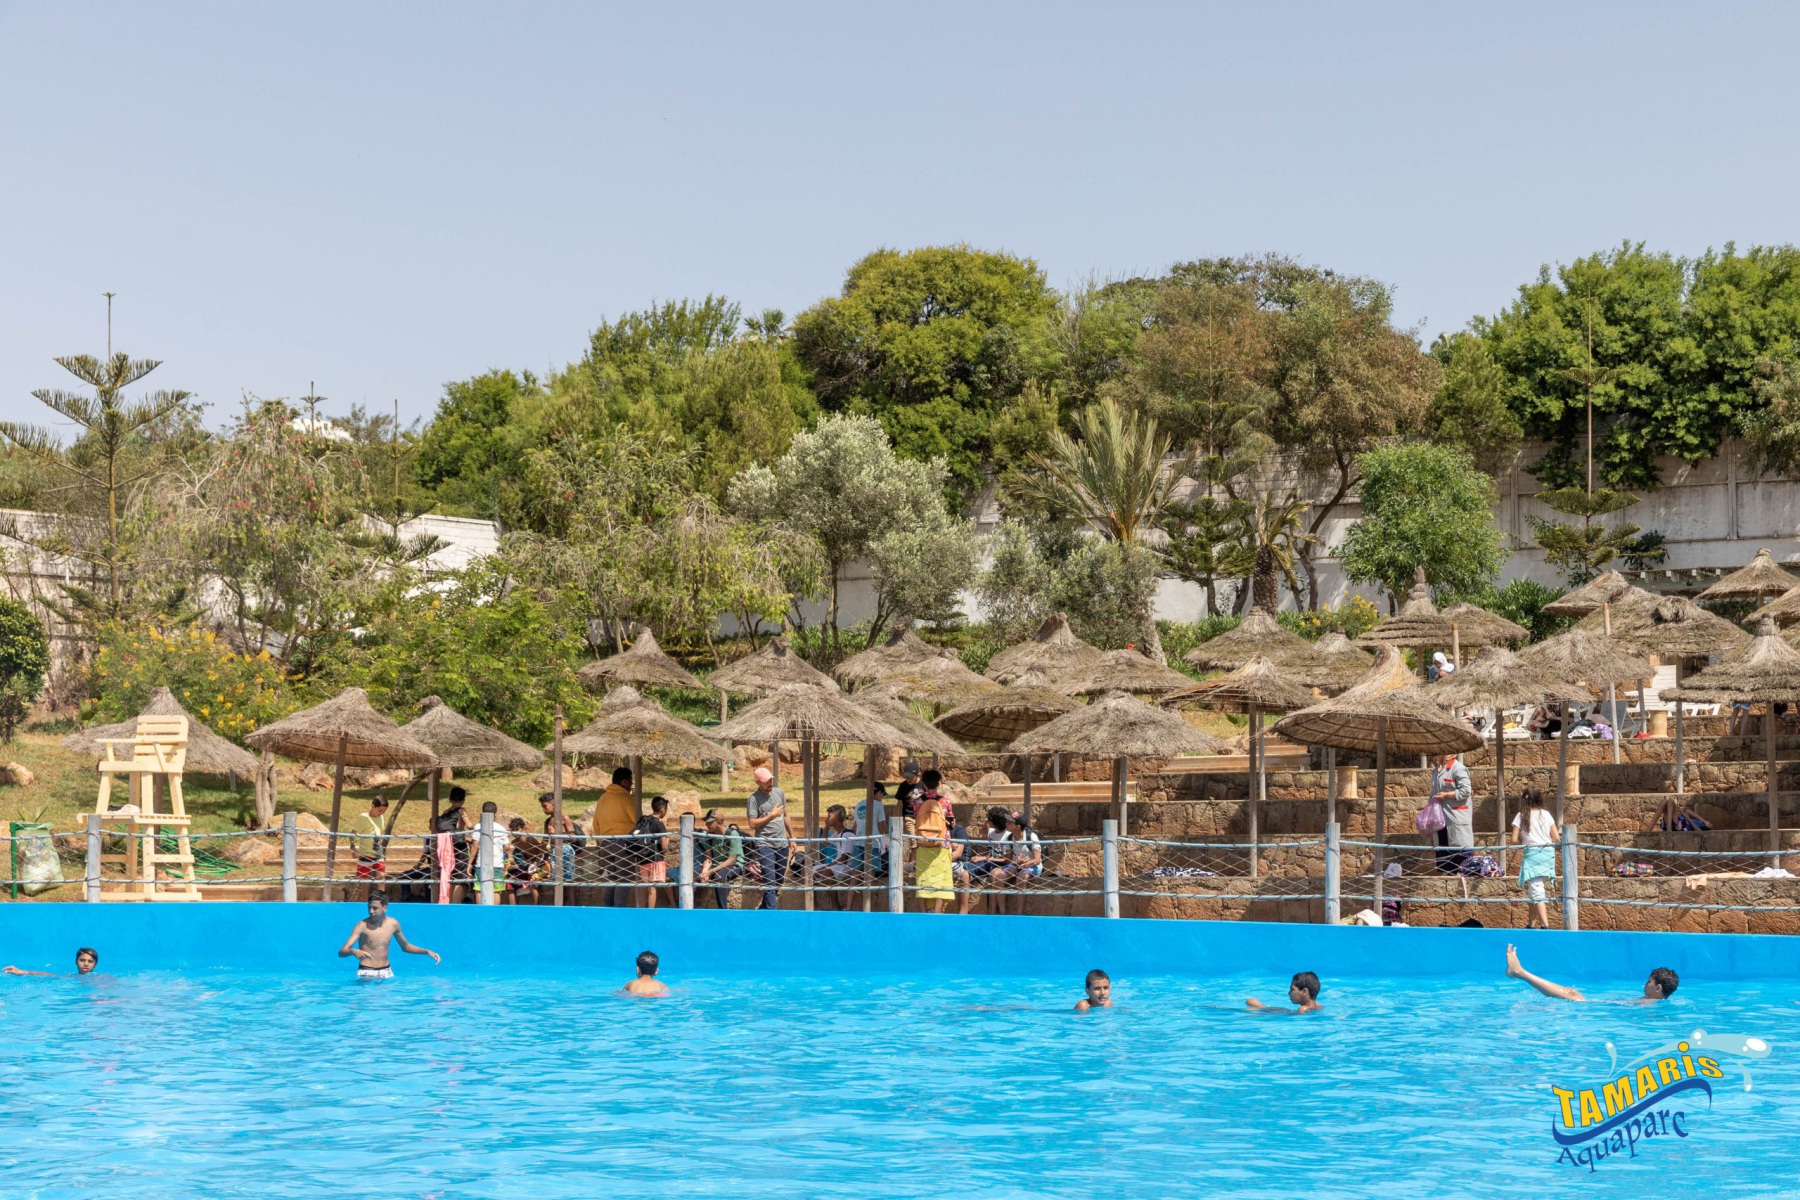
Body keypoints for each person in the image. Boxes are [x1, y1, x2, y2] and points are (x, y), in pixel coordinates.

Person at [1505, 945, 1678, 1003]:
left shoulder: (1650, 1004)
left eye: (1649, 982)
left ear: (1658, 988)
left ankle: (1520, 972)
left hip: (1594, 1008)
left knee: (1572, 994)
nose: (1645, 984)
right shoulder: (1651, 1001)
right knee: (1571, 992)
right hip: (1599, 1006)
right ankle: (1520, 972)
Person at [336, 891, 439, 978]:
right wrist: (353, 951)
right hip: (366, 972)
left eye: (375, 908)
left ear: (385, 908)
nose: (371, 911)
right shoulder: (362, 926)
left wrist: (426, 951)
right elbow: (341, 952)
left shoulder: (393, 924)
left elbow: (405, 946)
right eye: (369, 907)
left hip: (386, 971)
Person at [1511, 784, 1560, 929]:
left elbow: (1513, 839)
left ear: (1524, 800)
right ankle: (1531, 925)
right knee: (1534, 889)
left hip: (1532, 854)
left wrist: (1526, 840)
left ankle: (1545, 926)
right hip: (1547, 854)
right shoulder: (1546, 814)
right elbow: (1556, 837)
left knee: (1536, 890)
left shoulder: (1521, 815)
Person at [593, 767, 640, 907]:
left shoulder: (603, 798)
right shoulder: (626, 798)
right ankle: (620, 910)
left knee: (611, 878)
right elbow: (638, 821)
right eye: (630, 781)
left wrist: (601, 841)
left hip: (605, 844)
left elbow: (595, 823)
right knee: (624, 878)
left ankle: (609, 908)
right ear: (624, 782)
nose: (631, 785)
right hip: (623, 844)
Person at [1430, 751, 1473, 898]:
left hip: (1456, 817)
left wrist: (1447, 795)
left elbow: (1466, 790)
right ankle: (1446, 888)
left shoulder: (1458, 768)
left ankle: (1463, 888)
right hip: (1441, 818)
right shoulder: (1436, 771)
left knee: (1460, 850)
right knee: (1443, 850)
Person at [912, 769, 956, 913]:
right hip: (942, 844)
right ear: (938, 784)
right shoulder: (946, 802)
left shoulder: (917, 801)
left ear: (924, 784)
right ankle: (937, 912)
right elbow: (950, 822)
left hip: (923, 843)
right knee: (940, 880)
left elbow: (917, 819)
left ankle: (924, 912)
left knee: (922, 879)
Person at [746, 767, 789, 910]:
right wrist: (771, 815)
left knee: (778, 880)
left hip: (782, 843)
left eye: (771, 779)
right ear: (758, 782)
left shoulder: (779, 792)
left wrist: (793, 837)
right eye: (766, 781)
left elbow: (786, 816)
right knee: (769, 882)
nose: (770, 782)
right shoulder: (753, 799)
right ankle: (772, 914)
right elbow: (752, 823)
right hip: (765, 844)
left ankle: (763, 909)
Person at [696, 809, 746, 909]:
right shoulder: (710, 835)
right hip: (715, 864)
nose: (706, 824)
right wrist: (705, 871)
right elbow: (708, 857)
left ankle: (722, 909)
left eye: (709, 822)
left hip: (734, 864)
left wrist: (711, 872)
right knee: (693, 874)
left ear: (718, 822)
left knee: (719, 878)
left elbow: (731, 860)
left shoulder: (732, 834)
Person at [995, 811, 1043, 915]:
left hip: (1032, 865)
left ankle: (1019, 913)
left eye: (1009, 823)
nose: (1006, 824)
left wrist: (1026, 864)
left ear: (1018, 826)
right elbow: (1008, 860)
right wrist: (1017, 862)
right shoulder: (1009, 838)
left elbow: (1037, 860)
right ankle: (1003, 913)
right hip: (1017, 864)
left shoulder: (1031, 837)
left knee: (1022, 876)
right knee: (999, 877)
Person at [632, 796, 670, 909]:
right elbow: (664, 846)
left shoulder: (644, 820)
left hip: (643, 858)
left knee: (645, 886)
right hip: (655, 858)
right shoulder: (659, 824)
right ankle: (650, 911)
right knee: (652, 887)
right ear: (663, 809)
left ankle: (641, 910)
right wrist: (667, 840)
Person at [539, 791, 581, 888]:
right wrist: (541, 856)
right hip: (553, 851)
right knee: (555, 879)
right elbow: (545, 840)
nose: (543, 809)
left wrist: (556, 834)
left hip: (565, 850)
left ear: (554, 805)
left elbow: (573, 837)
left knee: (568, 880)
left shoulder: (564, 818)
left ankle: (569, 898)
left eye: (545, 806)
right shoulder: (547, 821)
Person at [502, 818, 547, 905]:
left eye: (517, 829)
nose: (515, 832)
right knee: (510, 881)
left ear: (523, 828)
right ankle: (513, 909)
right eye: (513, 830)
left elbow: (542, 852)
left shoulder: (529, 839)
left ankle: (537, 907)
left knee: (532, 881)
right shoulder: (515, 842)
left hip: (541, 865)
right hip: (528, 867)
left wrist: (536, 864)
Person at [820, 804, 856, 910]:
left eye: (829, 816)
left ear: (836, 817)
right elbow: (824, 843)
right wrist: (827, 826)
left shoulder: (847, 834)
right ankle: (812, 903)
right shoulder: (838, 833)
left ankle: (835, 906)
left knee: (826, 872)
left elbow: (844, 859)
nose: (827, 818)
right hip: (838, 864)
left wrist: (827, 866)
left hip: (847, 866)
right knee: (806, 871)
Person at [352, 795, 389, 897]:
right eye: (379, 810)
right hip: (365, 853)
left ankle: (381, 900)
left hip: (378, 853)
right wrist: (353, 848)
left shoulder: (381, 818)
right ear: (372, 806)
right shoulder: (363, 817)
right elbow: (353, 833)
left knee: (381, 878)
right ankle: (364, 902)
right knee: (365, 882)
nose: (381, 813)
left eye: (384, 811)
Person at [1246, 971, 1323, 1013]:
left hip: (1277, 1012)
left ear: (1304, 991)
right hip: (1284, 1011)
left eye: (1292, 989)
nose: (1289, 993)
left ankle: (1259, 1005)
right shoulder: (1318, 1005)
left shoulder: (1302, 1009)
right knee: (1259, 1007)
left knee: (1260, 1007)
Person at [4, 948, 99, 977]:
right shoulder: (71, 977)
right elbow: (48, 974)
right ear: (76, 962)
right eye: (82, 960)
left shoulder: (100, 978)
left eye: (90, 961)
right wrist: (21, 972)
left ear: (95, 964)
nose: (86, 964)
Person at [894, 761, 923, 837]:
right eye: (906, 777)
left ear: (917, 775)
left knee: (921, 839)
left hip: (922, 816)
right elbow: (899, 804)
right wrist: (895, 820)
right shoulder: (903, 786)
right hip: (909, 816)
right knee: (913, 839)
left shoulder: (924, 784)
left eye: (910, 777)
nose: (908, 779)